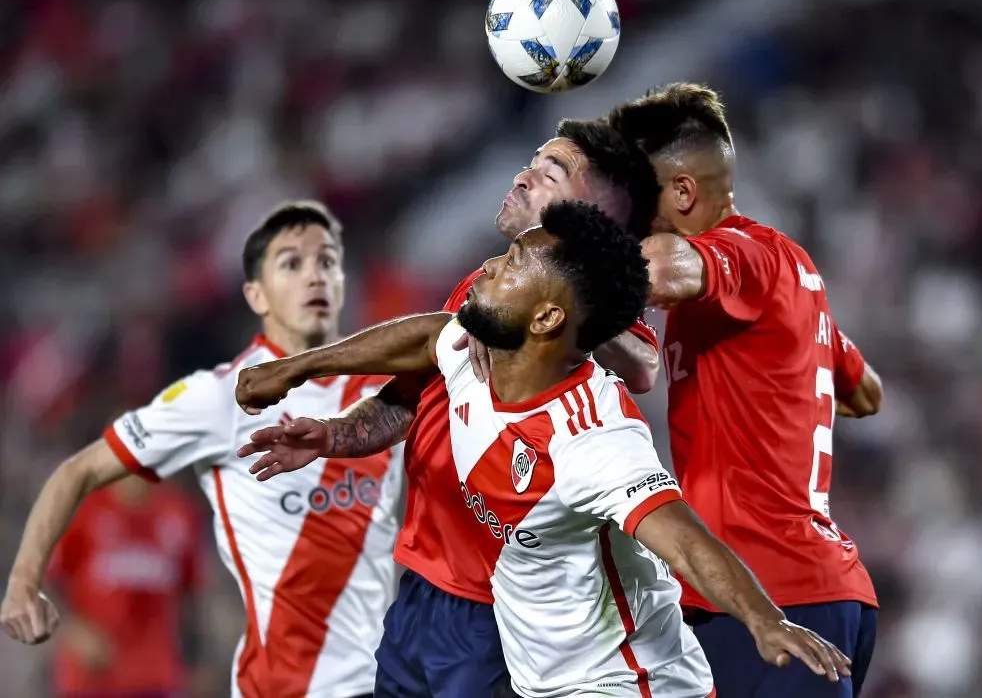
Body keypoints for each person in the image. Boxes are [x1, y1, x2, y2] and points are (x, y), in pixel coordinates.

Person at [235, 201, 852, 698]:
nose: (489, 266)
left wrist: (764, 618)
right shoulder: (482, 356)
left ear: (547, 318)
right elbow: (428, 336)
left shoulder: (592, 436)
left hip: (630, 685)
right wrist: (297, 370)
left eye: (512, 262)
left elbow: (685, 539)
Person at [240, 119, 663, 695]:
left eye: (549, 175)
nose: (522, 178)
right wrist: (333, 435)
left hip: (502, 612)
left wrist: (573, 289)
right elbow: (414, 401)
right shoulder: (485, 287)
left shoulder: (578, 318)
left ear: (588, 217)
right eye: (531, 163)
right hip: (423, 587)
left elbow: (643, 367)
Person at [0, 201, 403, 698]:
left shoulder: (387, 396)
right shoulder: (216, 399)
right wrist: (23, 584)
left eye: (326, 261)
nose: (313, 276)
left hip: (383, 674)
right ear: (256, 294)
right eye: (291, 264)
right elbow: (75, 473)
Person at [607, 83, 884, 698]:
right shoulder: (798, 279)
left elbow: (659, 269)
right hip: (807, 592)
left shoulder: (745, 254)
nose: (627, 215)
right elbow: (865, 392)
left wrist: (579, 239)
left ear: (683, 192)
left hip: (772, 597)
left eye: (634, 197)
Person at [45, 474, 210, 698]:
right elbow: (43, 587)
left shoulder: (180, 512)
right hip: (91, 680)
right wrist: (74, 631)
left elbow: (190, 595)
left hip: (156, 678)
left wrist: (196, 661)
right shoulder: (81, 511)